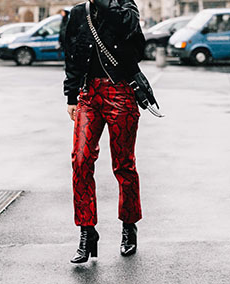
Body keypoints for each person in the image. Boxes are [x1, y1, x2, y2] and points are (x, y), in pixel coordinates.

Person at [63, 0, 145, 264]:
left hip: (120, 92)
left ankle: (129, 226)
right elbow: (72, 54)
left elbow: (136, 44)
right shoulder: (79, 13)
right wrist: (71, 95)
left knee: (123, 164)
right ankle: (87, 232)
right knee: (80, 160)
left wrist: (106, 4)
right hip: (89, 95)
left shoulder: (126, 8)